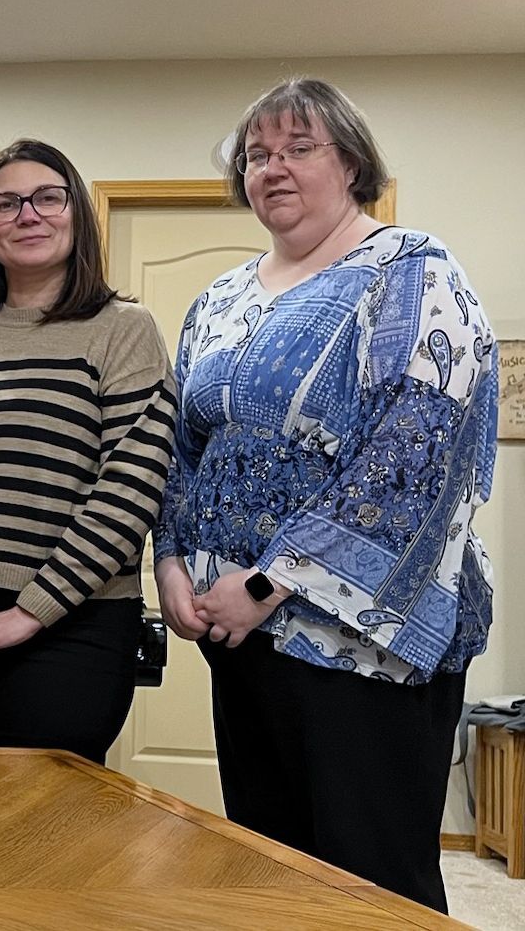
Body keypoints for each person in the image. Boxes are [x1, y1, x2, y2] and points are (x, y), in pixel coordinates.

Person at [153, 78, 496, 913]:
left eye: (297, 147)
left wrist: (269, 584)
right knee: (269, 872)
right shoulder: (222, 297)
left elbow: (412, 456)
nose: (272, 167)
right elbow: (181, 447)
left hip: (358, 643)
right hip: (234, 633)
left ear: (349, 161)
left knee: (370, 883)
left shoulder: (409, 270)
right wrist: (168, 563)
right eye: (256, 153)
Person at [0, 139, 176, 765]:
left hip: (71, 625)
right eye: (6, 204)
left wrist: (30, 612)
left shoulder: (123, 330)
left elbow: (132, 488)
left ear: (76, 213)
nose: (29, 215)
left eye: (48, 198)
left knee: (51, 834)